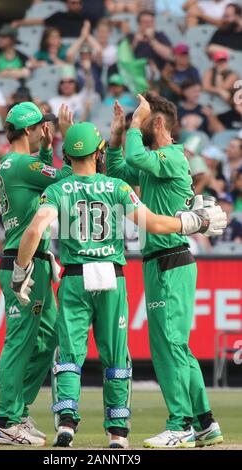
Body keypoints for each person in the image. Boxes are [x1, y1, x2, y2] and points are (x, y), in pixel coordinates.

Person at [12, 120, 225, 449]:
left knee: (69, 355)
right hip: (112, 277)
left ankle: (66, 424)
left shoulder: (55, 190)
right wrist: (194, 221)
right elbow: (153, 224)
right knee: (115, 358)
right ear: (99, 153)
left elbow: (33, 231)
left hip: (74, 278)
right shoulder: (116, 188)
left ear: (66, 155)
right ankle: (118, 433)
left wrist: (21, 268)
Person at [106, 94, 225, 448]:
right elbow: (118, 172)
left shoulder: (171, 155)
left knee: (169, 346)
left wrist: (134, 122)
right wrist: (117, 135)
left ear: (157, 124)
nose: (137, 128)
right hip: (167, 261)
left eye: (144, 121)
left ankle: (181, 425)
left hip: (169, 259)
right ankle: (205, 423)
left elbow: (134, 157)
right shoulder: (157, 161)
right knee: (179, 347)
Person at [0, 102, 73, 447]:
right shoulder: (21, 163)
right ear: (27, 130)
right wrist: (66, 139)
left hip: (33, 259)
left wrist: (51, 147)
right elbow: (68, 180)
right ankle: (6, 420)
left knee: (49, 334)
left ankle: (17, 410)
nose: (45, 131)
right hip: (23, 262)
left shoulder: (17, 163)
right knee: (19, 342)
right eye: (42, 127)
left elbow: (47, 179)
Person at [12, 0, 86, 38]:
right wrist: (19, 23)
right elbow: (41, 21)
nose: (77, 5)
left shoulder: (85, 19)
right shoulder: (59, 16)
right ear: (67, 4)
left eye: (79, 3)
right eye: (73, 3)